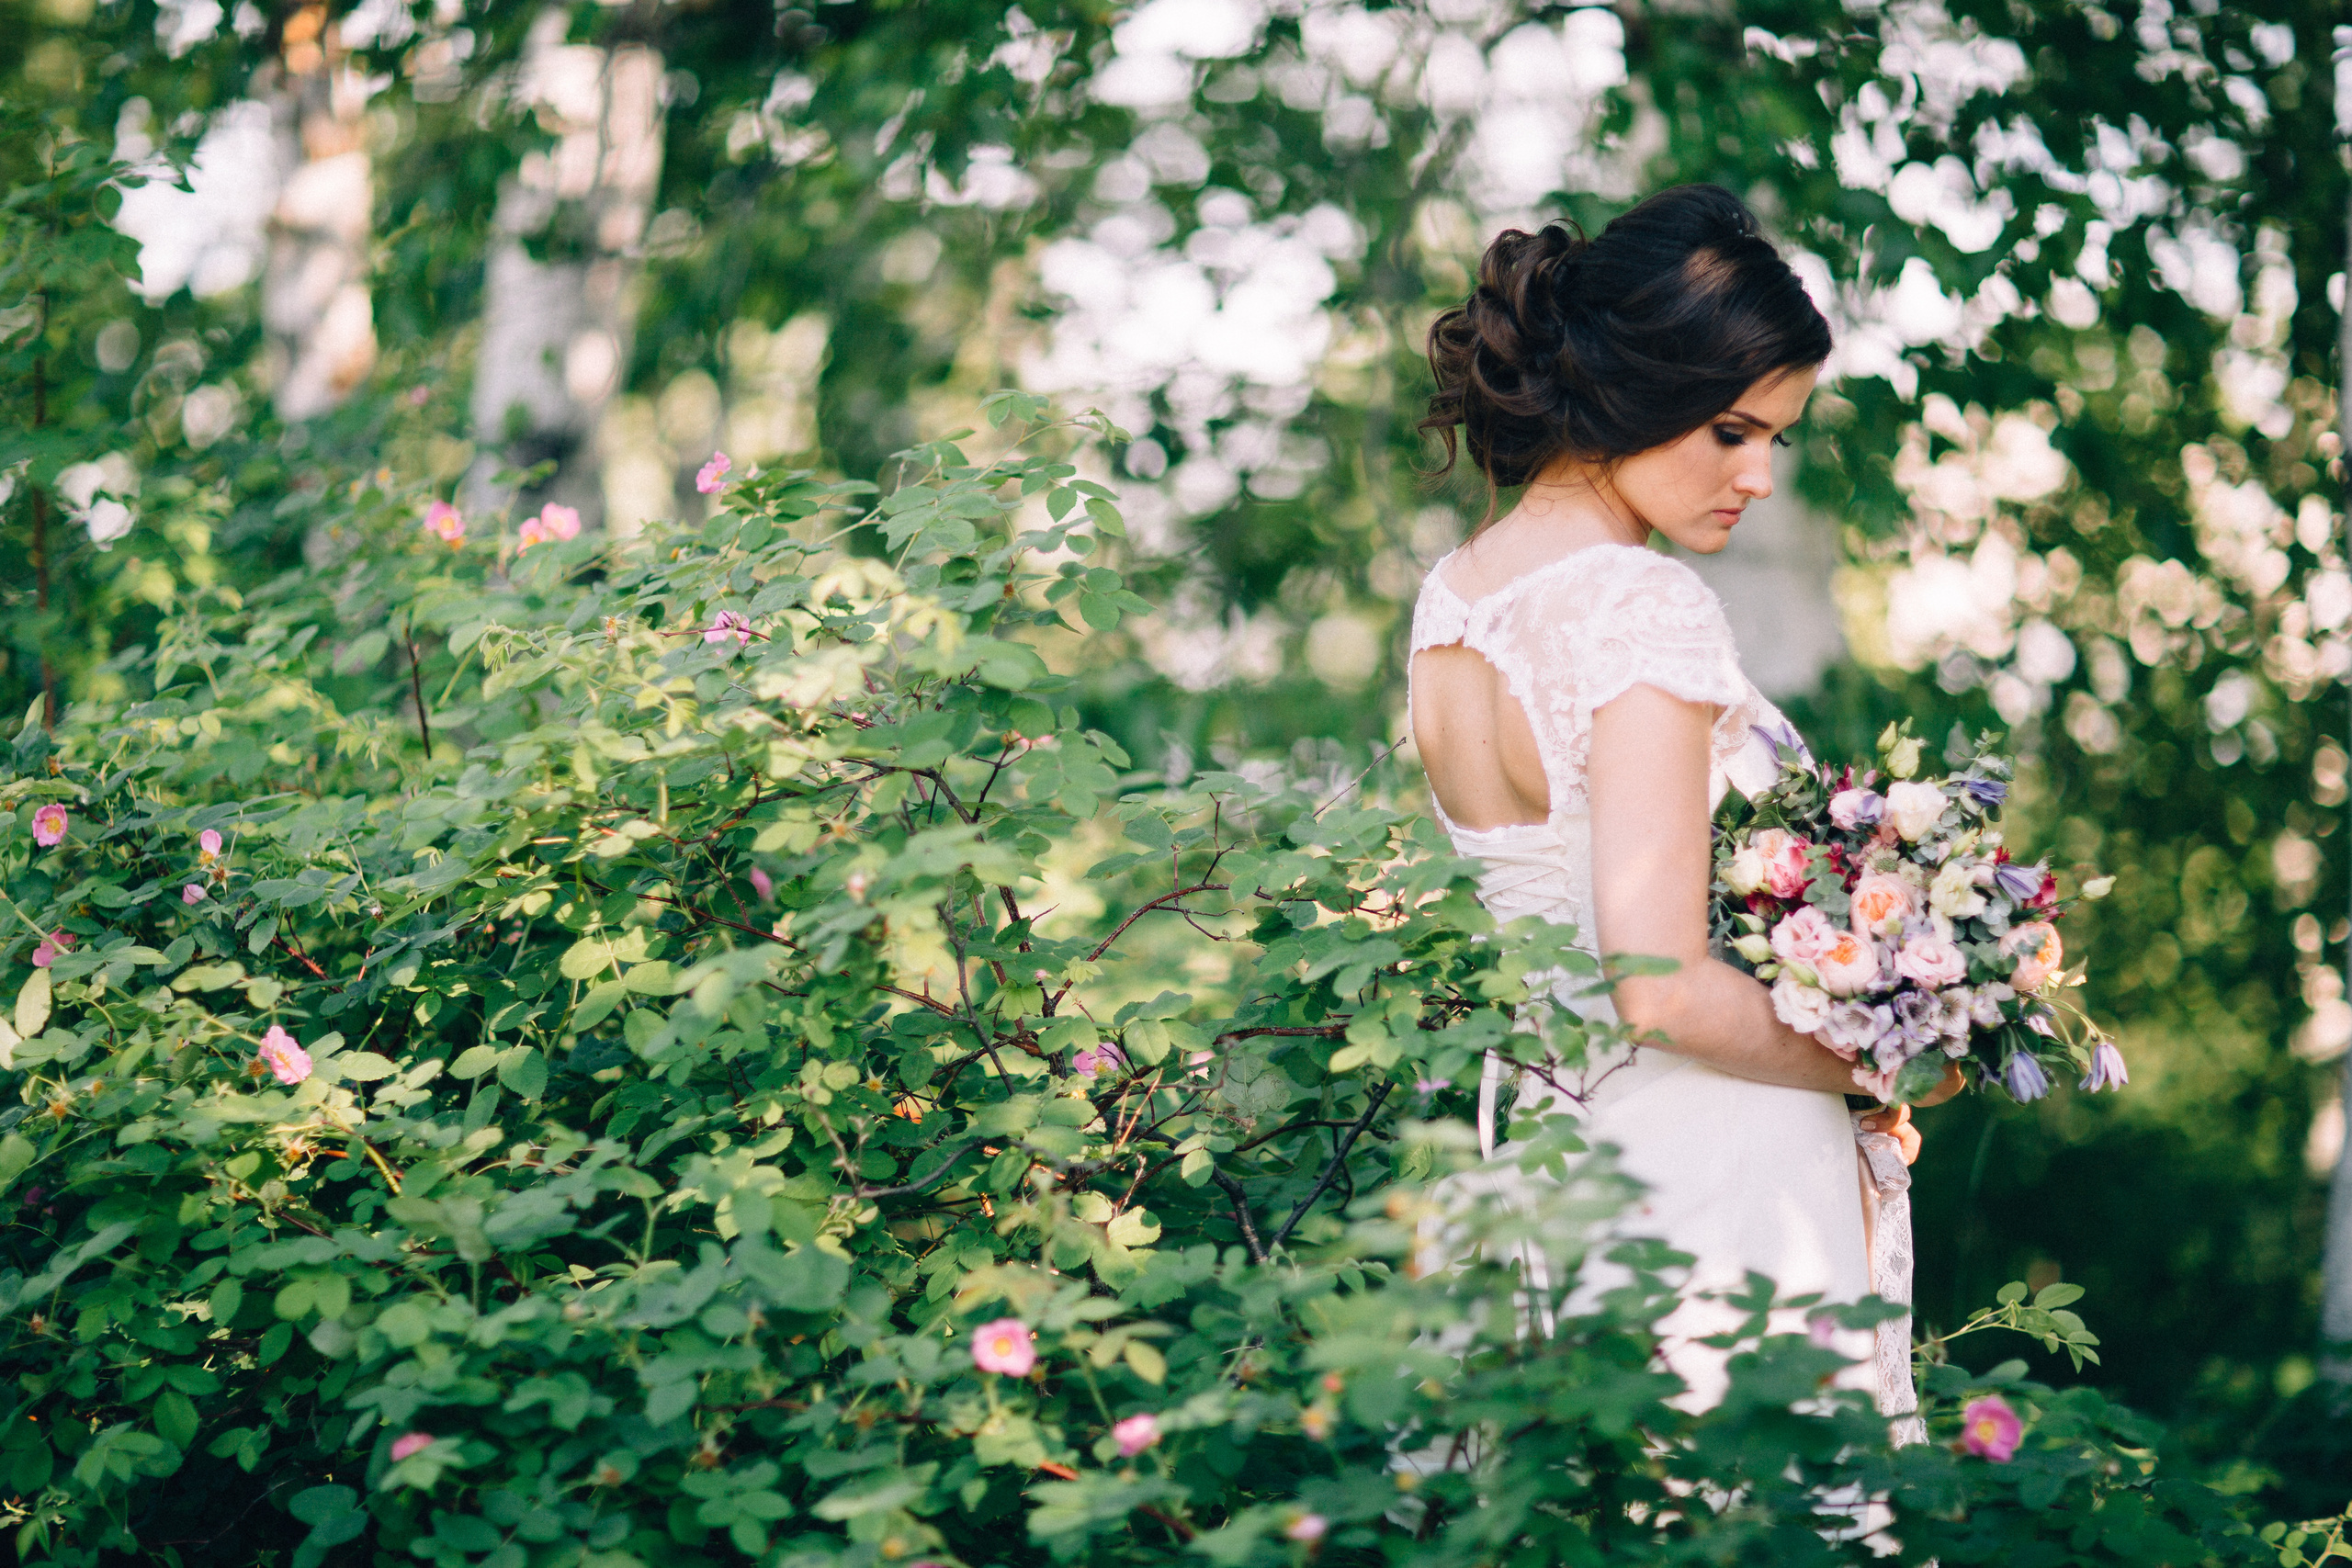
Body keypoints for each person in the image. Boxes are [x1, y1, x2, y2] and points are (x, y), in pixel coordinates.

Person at [1408, 185, 1962, 1422]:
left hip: (1553, 1166)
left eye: (1777, 436)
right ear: (1635, 388)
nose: (1760, 475)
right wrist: (1885, 1058)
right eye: (1731, 431)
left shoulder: (1455, 601)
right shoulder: (1634, 605)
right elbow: (1654, 984)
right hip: (1714, 1193)